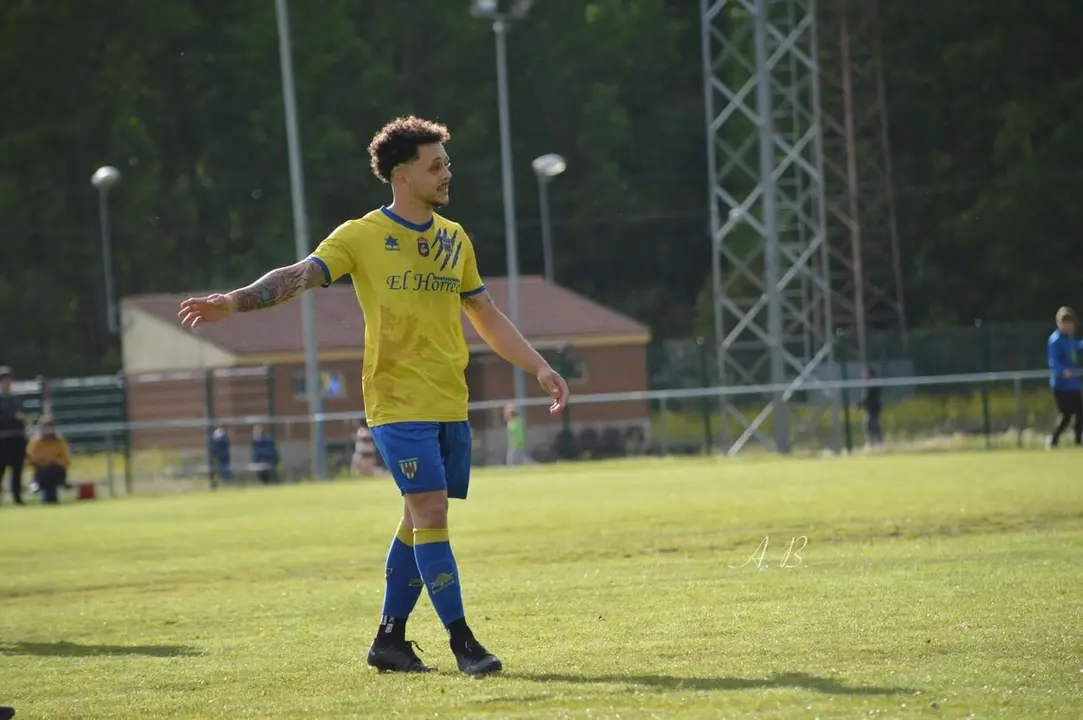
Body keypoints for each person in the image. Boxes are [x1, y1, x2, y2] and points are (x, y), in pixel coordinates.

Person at [177, 116, 570, 677]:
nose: (446, 173)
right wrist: (235, 302)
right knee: (431, 511)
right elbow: (299, 275)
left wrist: (538, 366)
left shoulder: (454, 238)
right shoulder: (360, 236)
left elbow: (484, 314)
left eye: (446, 163)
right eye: (435, 165)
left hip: (447, 401)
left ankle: (389, 640)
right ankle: (464, 643)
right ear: (401, 174)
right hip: (395, 403)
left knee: (417, 521)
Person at [1047, 306, 1083, 448]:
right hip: (1060, 384)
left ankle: (1078, 440)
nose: (1069, 326)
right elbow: (1053, 361)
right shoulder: (1055, 340)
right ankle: (1053, 440)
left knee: (1080, 413)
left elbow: (1078, 346)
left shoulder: (1070, 339)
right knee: (1066, 414)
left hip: (1073, 384)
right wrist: (1063, 371)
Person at [26, 415, 71, 505]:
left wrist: (57, 462)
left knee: (53, 469)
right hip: (41, 470)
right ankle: (37, 484)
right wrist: (43, 462)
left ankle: (62, 482)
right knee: (46, 472)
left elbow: (66, 458)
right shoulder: (36, 441)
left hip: (56, 469)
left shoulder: (59, 441)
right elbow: (30, 457)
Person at [0, 366, 28, 506]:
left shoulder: (16, 399)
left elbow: (24, 414)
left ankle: (17, 497)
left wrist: (23, 418)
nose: (7, 382)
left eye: (8, 379)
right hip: (2, 439)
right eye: (4, 379)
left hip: (17, 438)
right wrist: (12, 416)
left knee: (17, 470)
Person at [860, 367, 884, 447]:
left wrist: (860, 405)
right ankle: (874, 443)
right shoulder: (868, 386)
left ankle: (876, 443)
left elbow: (869, 399)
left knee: (873, 425)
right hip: (870, 410)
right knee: (871, 424)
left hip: (874, 410)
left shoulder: (873, 386)